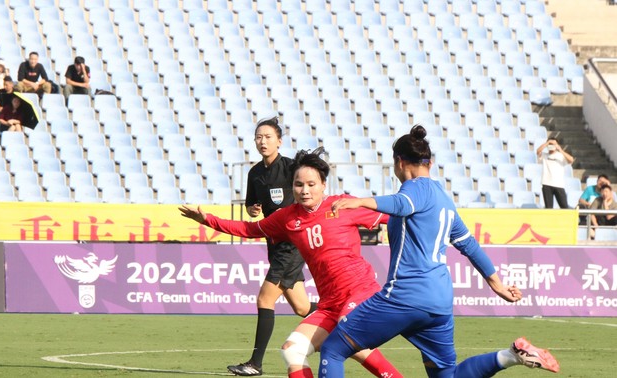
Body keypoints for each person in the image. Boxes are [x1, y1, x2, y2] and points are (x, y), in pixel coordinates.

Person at [319, 125, 560, 378]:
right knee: (448, 376)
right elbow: (469, 245)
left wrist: (359, 201)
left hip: (405, 296)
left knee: (334, 349)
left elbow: (402, 204)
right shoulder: (443, 199)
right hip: (439, 303)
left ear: (399, 162)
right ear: (430, 163)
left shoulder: (415, 188)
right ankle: (509, 356)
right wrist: (497, 285)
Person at [180, 148, 402, 378]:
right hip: (330, 303)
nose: (304, 190)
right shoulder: (287, 217)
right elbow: (249, 229)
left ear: (323, 184)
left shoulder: (344, 205)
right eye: (298, 185)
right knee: (293, 352)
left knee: (341, 341)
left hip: (360, 293)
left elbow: (397, 217)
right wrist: (207, 220)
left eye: (311, 184)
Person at [226, 117, 318, 376]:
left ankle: (255, 364)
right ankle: (344, 315)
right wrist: (252, 208)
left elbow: (309, 190)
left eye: (268, 137)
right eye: (259, 137)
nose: (262, 141)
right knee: (301, 307)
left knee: (265, 298)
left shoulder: (291, 168)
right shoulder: (255, 173)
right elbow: (251, 205)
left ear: (279, 140)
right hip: (274, 245)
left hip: (292, 244)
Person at [536, 137, 575, 209]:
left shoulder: (561, 156)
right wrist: (547, 143)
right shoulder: (544, 155)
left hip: (558, 184)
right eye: (550, 144)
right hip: (546, 183)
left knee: (564, 206)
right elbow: (538, 151)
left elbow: (571, 160)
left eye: (553, 144)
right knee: (549, 207)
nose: (551, 146)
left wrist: (560, 149)